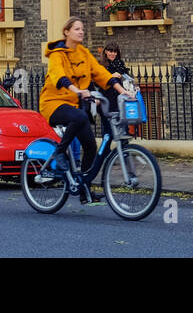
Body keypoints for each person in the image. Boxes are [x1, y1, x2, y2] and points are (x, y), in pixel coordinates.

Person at [39, 17, 129, 203]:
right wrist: (77, 90)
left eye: (82, 29)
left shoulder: (84, 54)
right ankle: (59, 152)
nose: (81, 32)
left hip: (75, 106)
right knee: (80, 117)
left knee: (90, 146)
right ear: (67, 32)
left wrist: (123, 91)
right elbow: (58, 75)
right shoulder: (57, 54)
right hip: (53, 103)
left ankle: (84, 191)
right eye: (77, 29)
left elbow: (101, 73)